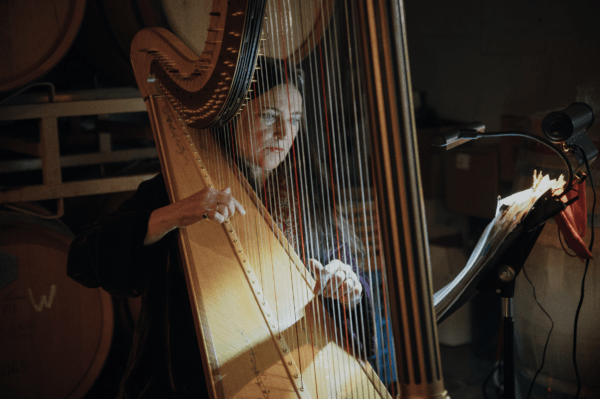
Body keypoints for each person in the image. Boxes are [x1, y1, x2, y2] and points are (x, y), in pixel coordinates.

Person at [67, 58, 373, 398]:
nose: (285, 135)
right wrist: (171, 215)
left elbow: (342, 271)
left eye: (295, 120)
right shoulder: (177, 188)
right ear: (231, 117)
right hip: (184, 381)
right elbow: (81, 260)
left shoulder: (306, 189)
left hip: (291, 373)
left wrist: (348, 286)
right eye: (269, 115)